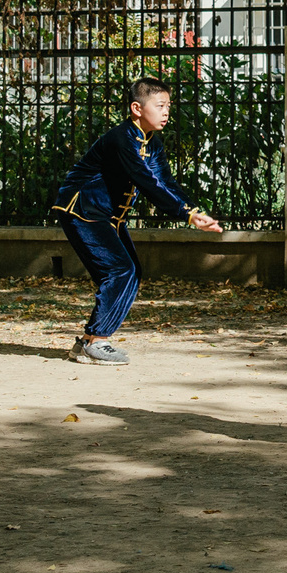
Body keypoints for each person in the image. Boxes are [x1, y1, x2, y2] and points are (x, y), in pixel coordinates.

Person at [51, 77, 225, 366]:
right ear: (136, 108)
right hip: (82, 209)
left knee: (130, 272)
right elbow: (145, 180)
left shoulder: (151, 143)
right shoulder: (121, 138)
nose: (166, 112)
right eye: (160, 106)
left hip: (107, 216)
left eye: (168, 106)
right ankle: (95, 341)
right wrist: (185, 214)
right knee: (120, 270)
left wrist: (192, 211)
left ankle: (88, 342)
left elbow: (164, 180)